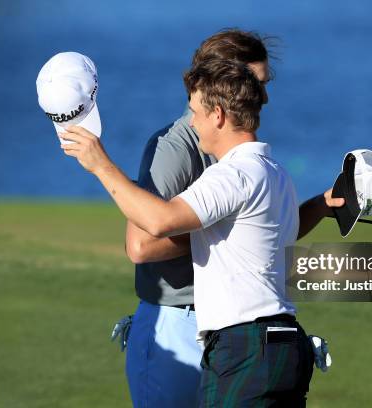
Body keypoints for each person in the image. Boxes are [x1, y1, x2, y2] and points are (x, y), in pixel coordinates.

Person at [60, 56, 342, 406]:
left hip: (246, 350)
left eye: (195, 112)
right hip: (284, 345)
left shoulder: (233, 175)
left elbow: (159, 222)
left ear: (219, 116)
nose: (191, 123)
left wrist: (101, 166)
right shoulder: (275, 171)